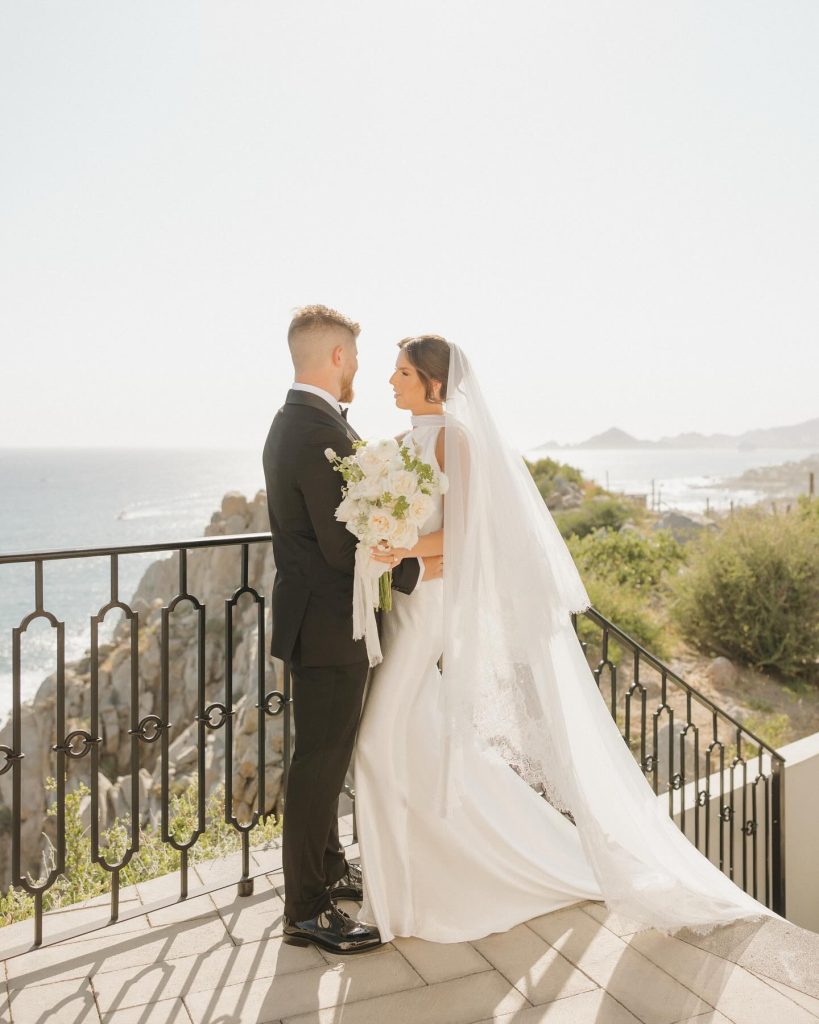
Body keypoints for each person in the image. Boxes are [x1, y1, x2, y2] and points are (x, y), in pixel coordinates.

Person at [353, 334, 782, 945]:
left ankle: (416, 887)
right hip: (401, 603)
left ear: (435, 384)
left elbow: (471, 533)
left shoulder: (456, 439)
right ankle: (421, 871)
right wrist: (382, 540)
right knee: (414, 736)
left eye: (401, 372)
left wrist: (403, 547)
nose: (390, 381)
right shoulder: (397, 445)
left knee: (374, 742)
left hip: (430, 610)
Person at [262, 305, 442, 955]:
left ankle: (330, 869)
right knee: (317, 766)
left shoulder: (308, 422)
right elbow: (343, 548)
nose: (360, 371)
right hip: (326, 625)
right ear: (336, 356)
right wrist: (414, 566)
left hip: (328, 621)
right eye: (358, 359)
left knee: (327, 756)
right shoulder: (312, 432)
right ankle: (305, 910)